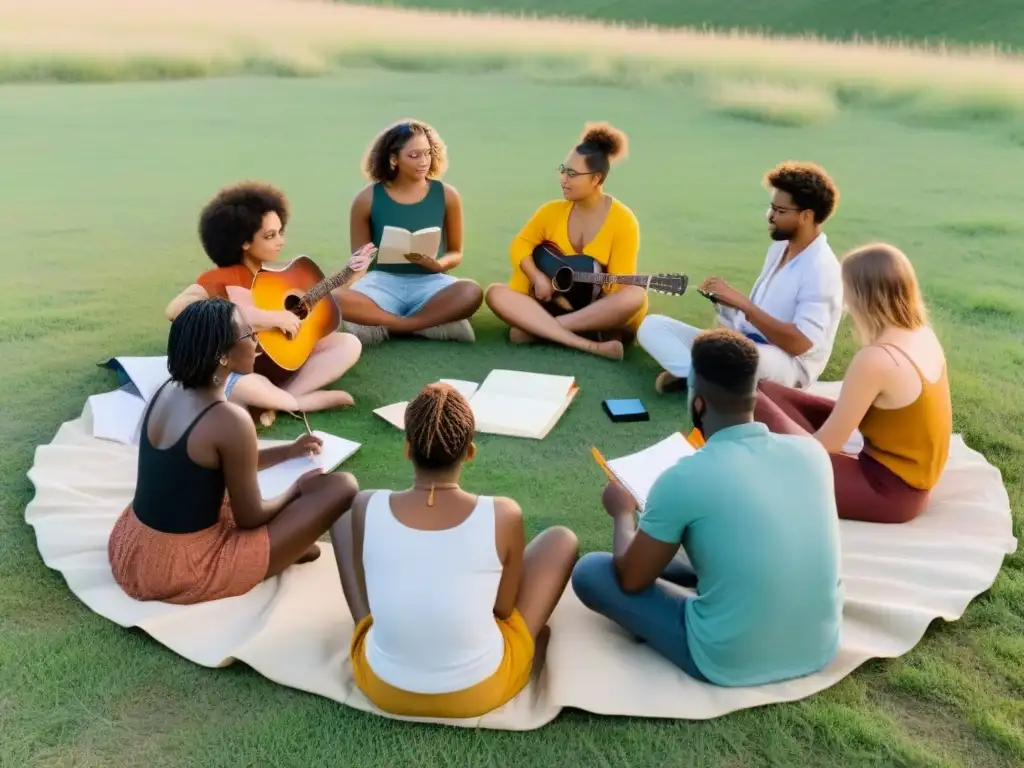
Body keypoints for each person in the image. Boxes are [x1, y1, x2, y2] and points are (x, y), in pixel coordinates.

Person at [572, 328, 843, 687]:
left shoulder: (684, 477)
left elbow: (631, 579)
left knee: (592, 571)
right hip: (820, 645)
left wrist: (622, 512)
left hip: (729, 658)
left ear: (697, 401)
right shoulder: (811, 453)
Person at [331, 383, 579, 719]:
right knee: (561, 540)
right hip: (478, 690)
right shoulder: (503, 514)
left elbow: (369, 591)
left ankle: (369, 632)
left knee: (342, 521)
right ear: (470, 452)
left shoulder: (365, 505)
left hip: (382, 686)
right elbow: (504, 609)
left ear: (407, 449)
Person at [108, 297, 359, 605]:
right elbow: (251, 517)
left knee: (297, 529)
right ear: (222, 356)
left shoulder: (168, 389)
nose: (258, 342)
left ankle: (288, 544)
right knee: (342, 487)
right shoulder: (228, 418)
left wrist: (288, 451)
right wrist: (297, 489)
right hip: (181, 565)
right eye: (249, 335)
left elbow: (211, 466)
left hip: (137, 543)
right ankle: (280, 548)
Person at [755, 243, 951, 524]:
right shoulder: (922, 333)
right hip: (901, 471)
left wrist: (775, 445)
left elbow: (822, 448)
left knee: (755, 409)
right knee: (766, 391)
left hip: (891, 492)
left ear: (863, 296)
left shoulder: (876, 359)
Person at [165, 181, 369, 427]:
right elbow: (181, 310)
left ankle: (285, 398)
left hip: (284, 358)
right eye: (270, 235)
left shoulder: (271, 278)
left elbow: (321, 301)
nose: (280, 241)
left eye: (281, 232)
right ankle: (288, 400)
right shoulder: (228, 276)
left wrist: (352, 274)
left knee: (348, 343)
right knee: (243, 386)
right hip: (246, 368)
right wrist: (275, 318)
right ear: (244, 242)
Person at [638, 160, 843, 392]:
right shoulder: (780, 248)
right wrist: (727, 304)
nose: (771, 216)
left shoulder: (821, 269)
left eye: (780, 211)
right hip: (744, 343)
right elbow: (756, 317)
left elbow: (801, 344)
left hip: (786, 364)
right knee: (653, 326)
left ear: (806, 216)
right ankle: (696, 374)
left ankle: (701, 375)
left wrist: (743, 305)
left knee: (732, 354)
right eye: (772, 208)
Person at [483, 122, 646, 361]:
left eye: (573, 174)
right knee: (495, 293)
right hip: (554, 304)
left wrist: (571, 292)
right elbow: (520, 244)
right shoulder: (551, 211)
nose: (564, 179)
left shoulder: (624, 220)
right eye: (563, 170)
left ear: (596, 179)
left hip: (598, 308)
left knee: (635, 294)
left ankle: (543, 328)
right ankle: (591, 344)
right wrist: (538, 277)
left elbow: (617, 287)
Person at [334, 119, 484, 345]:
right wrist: (347, 284)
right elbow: (360, 259)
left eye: (427, 153)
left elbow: (456, 252)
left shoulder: (447, 195)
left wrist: (439, 265)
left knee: (471, 291)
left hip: (430, 283)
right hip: (382, 282)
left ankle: (392, 324)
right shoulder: (366, 199)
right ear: (394, 159)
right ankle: (419, 325)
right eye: (414, 156)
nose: (424, 162)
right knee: (335, 299)